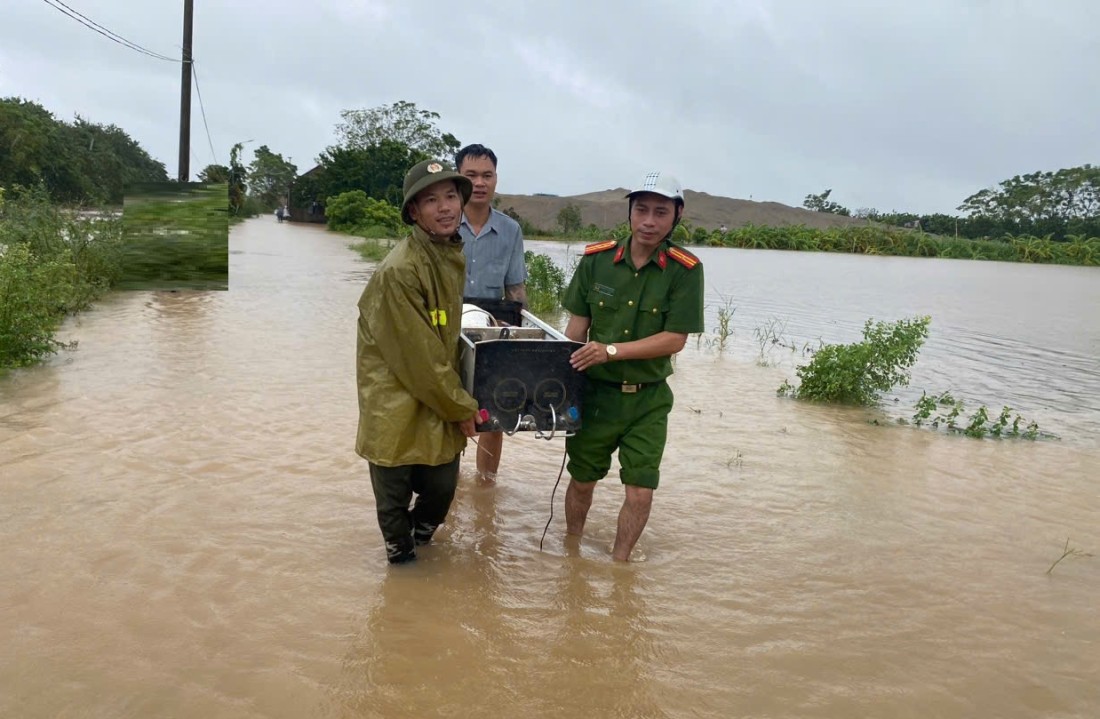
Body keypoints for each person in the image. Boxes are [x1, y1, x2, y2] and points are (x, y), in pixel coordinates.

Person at [560, 171, 705, 561]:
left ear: (677, 215)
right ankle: (571, 552)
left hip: (649, 401)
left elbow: (675, 339)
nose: (649, 221)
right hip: (596, 397)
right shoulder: (597, 260)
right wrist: (556, 383)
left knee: (641, 489)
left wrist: (610, 351)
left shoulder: (685, 270)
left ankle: (620, 565)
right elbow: (576, 331)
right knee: (582, 481)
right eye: (641, 209)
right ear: (629, 212)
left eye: (661, 212)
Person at [355, 159, 479, 565]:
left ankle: (422, 554)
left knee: (441, 492)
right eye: (431, 200)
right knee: (395, 524)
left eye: (450, 196)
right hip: (395, 404)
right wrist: (463, 408)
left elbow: (444, 345)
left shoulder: (448, 256)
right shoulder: (399, 270)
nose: (445, 208)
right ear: (413, 211)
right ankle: (404, 593)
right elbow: (421, 359)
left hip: (436, 398)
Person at [454, 143, 528, 484]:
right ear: (459, 178)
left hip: (492, 326)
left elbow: (515, 291)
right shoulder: (443, 221)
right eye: (471, 175)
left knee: (493, 411)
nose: (480, 183)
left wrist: (518, 341)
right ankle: (446, 484)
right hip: (446, 323)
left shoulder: (511, 230)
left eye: (487, 175)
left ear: (496, 179)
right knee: (448, 405)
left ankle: (486, 486)